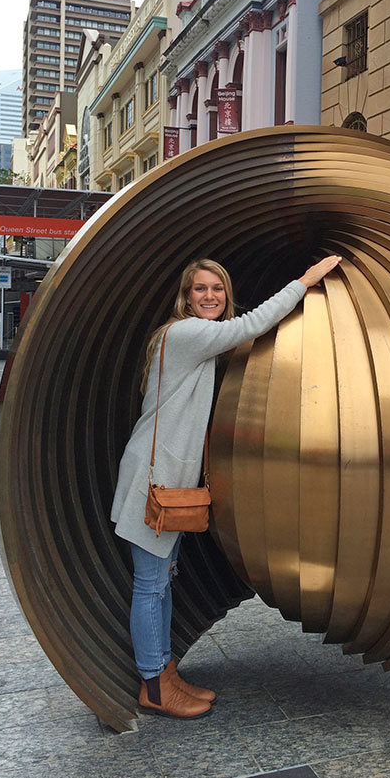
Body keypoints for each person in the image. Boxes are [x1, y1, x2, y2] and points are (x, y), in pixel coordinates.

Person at [111, 253, 342, 720]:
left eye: (217, 289)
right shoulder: (185, 334)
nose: (210, 296)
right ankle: (154, 685)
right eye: (200, 289)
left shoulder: (189, 338)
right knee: (151, 586)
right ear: (186, 297)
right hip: (153, 482)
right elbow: (253, 324)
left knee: (162, 583)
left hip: (162, 478)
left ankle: (165, 673)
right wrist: (304, 279)